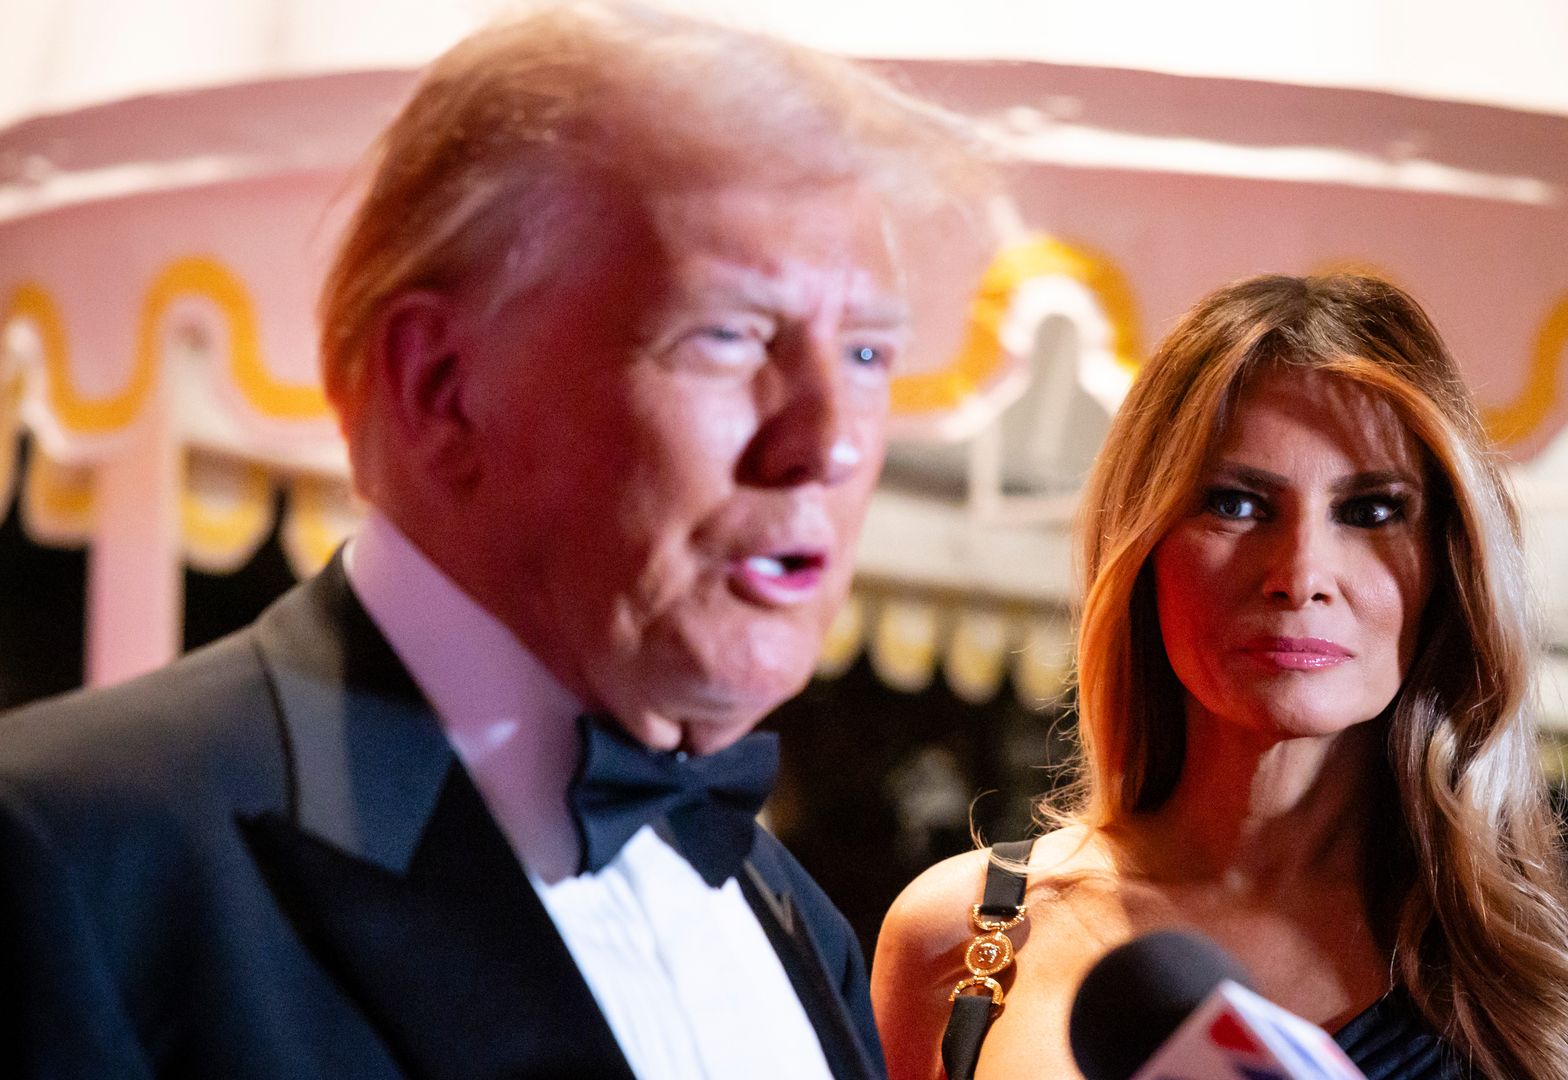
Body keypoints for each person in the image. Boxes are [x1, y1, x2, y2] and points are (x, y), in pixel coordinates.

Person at [0, 5, 979, 1078]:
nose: (829, 441)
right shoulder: (71, 862)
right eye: (729, 334)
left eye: (871, 353)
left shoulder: (794, 921)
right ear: (441, 388)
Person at [873, 274, 1568, 1080]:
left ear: (1449, 564)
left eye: (1372, 510)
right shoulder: (965, 935)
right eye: (1237, 504)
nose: (1301, 571)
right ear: (1144, 547)